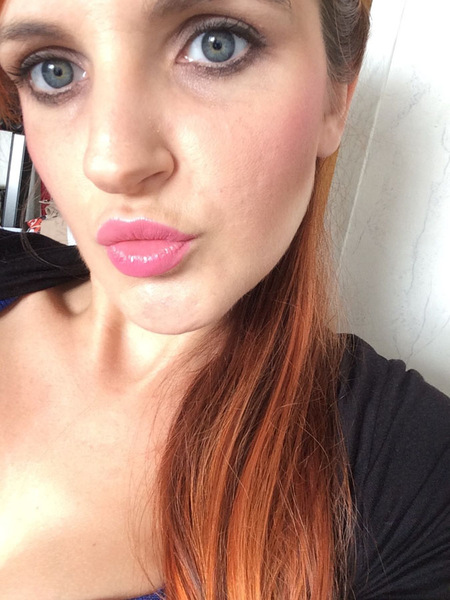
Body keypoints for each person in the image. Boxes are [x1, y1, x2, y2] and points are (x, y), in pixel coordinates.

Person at [0, 0, 448, 599]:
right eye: (52, 70)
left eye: (217, 43)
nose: (112, 162)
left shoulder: (412, 474)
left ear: (337, 96)